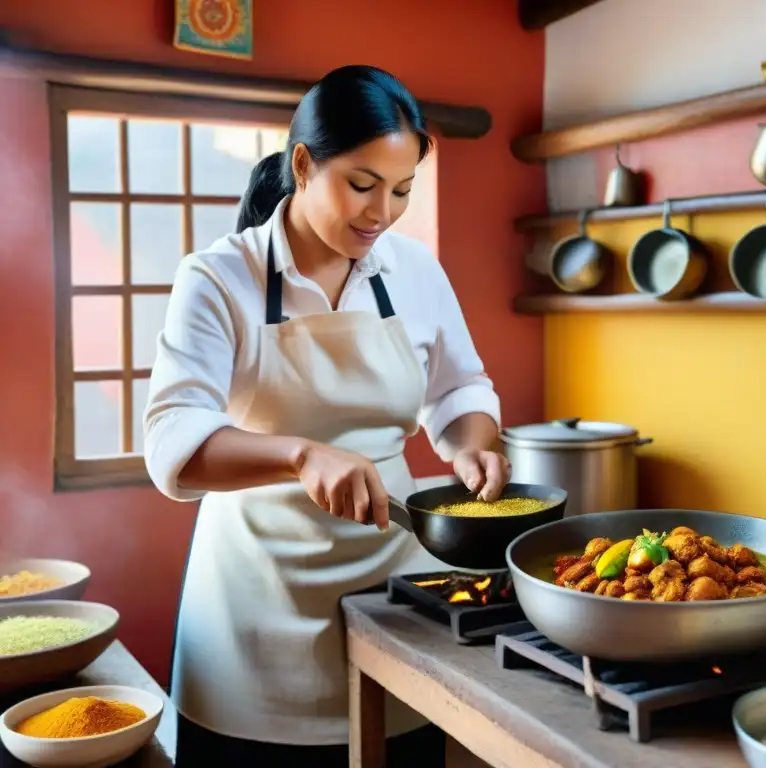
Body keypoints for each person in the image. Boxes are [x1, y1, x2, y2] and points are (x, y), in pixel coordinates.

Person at [143, 64, 510, 765]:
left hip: (397, 595)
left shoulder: (415, 271)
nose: (382, 213)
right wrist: (300, 454)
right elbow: (171, 446)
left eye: (402, 191)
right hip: (255, 608)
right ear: (303, 165)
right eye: (363, 186)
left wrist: (472, 445)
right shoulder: (220, 277)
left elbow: (461, 391)